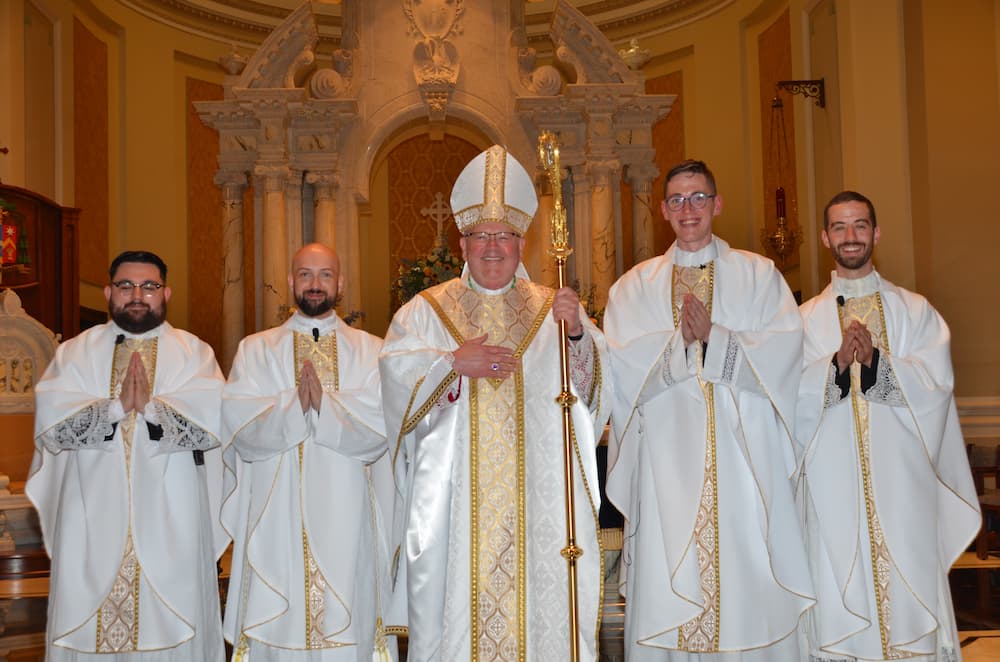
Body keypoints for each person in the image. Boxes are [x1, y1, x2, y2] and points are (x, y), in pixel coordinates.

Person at [379, 145, 611, 661]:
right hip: (453, 508)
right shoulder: (425, 310)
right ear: (461, 243)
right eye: (480, 235)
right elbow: (394, 378)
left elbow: (592, 395)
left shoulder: (554, 307)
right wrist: (450, 365)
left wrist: (576, 335)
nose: (491, 246)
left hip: (541, 508)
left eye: (502, 235)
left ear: (521, 242)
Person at [604, 160, 814, 660]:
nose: (688, 209)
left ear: (717, 204)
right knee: (668, 566)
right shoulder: (634, 286)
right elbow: (620, 364)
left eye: (698, 197)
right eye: (676, 200)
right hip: (665, 466)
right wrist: (679, 345)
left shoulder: (759, 275)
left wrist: (716, 341)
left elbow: (787, 350)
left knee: (748, 575)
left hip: (743, 466)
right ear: (663, 211)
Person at [796, 191, 980, 661]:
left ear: (877, 233)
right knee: (841, 599)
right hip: (831, 496)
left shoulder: (916, 312)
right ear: (824, 237)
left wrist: (877, 362)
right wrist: (835, 365)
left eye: (860, 225)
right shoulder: (801, 321)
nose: (850, 236)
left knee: (908, 605)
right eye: (839, 226)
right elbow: (787, 400)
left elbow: (937, 388)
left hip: (903, 494)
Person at [27, 250, 227, 660]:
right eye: (126, 285)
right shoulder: (75, 353)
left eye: (149, 286)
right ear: (108, 292)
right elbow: (52, 426)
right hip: (90, 521)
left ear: (166, 292)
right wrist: (115, 408)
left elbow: (212, 424)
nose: (138, 295)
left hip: (173, 521)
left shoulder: (194, 353)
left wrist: (151, 408)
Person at [221, 243, 393, 661]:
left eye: (325, 275)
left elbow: (381, 427)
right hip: (275, 518)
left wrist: (327, 406)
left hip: (348, 515)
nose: (315, 284)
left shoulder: (372, 350)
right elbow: (240, 426)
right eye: (305, 274)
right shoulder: (255, 349)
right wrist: (294, 405)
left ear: (341, 283)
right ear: (289, 281)